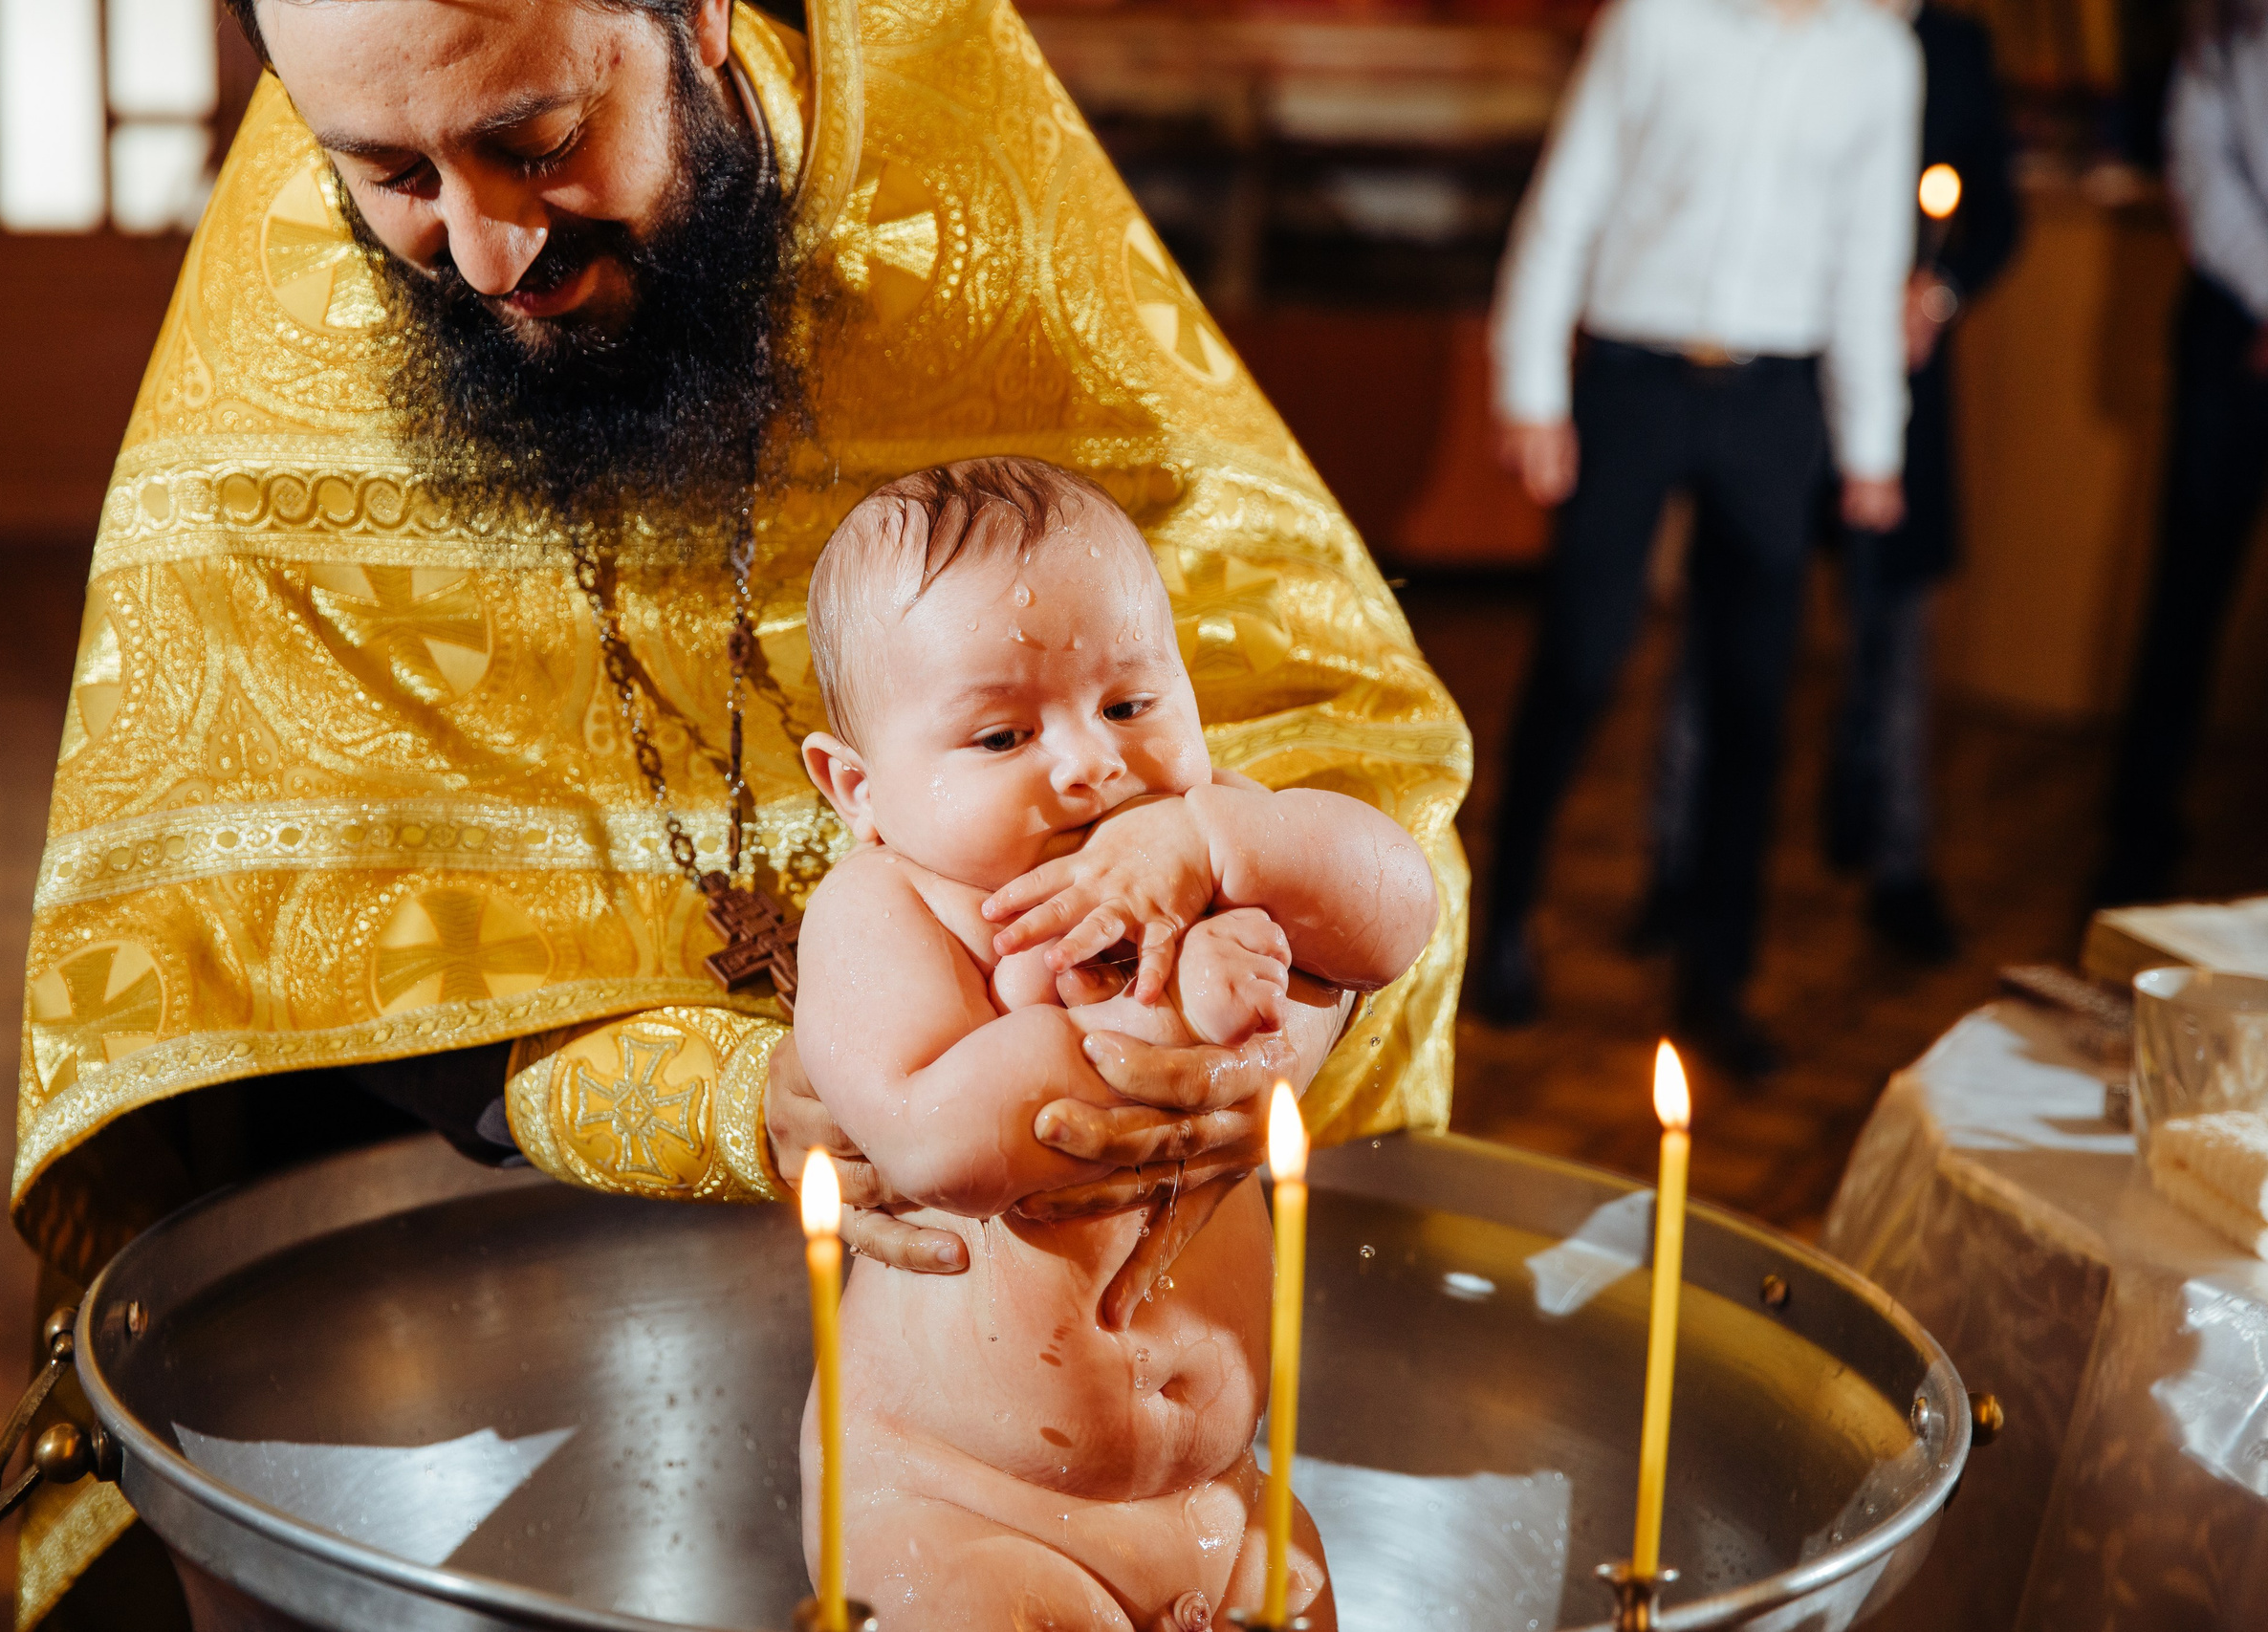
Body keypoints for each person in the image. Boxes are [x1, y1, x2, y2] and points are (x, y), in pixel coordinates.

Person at [0, 2, 1473, 1622]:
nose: (488, 252)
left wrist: (1263, 1010)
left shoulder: (953, 154)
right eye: (390, 174)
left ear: (696, 17)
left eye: (539, 141)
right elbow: (254, 916)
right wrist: (730, 1096)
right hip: (507, 1305)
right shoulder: (285, 302)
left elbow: (1325, 728)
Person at [793, 459, 1437, 1629]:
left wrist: (1231, 837)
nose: (1091, 762)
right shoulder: (884, 910)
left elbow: (1395, 911)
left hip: (1215, 1496)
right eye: (1000, 735)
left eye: (1131, 706)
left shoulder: (1204, 842)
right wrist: (1156, 1008)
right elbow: (940, 1145)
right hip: (968, 1510)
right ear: (858, 789)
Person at [1475, 0, 1921, 1076]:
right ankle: (1500, 922)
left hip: (1776, 401)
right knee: (1579, 661)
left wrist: (1873, 447)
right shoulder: (1655, 20)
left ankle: (1718, 975)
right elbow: (1565, 205)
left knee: (1751, 701)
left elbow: (1870, 255)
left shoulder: (1879, 56)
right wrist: (1531, 388)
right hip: (1635, 377)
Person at [1634, 0, 2019, 965]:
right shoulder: (1770, 27)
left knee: (1894, 636)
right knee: (1716, 635)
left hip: (1899, 394)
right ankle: (1676, 866)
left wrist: (1933, 292)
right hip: (1771, 390)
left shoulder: (1956, 51)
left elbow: (1997, 217)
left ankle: (1897, 863)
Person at [2093, 0, 2268, 907]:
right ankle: (2138, 842)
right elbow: (2198, 166)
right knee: (2185, 599)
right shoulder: (2218, 28)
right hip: (2232, 337)